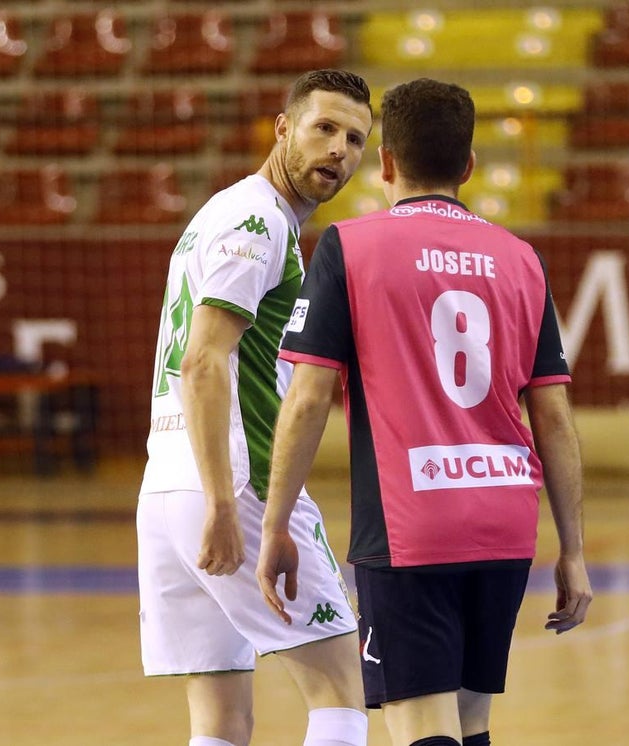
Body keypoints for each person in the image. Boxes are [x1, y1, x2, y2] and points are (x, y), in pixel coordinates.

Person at [257, 78, 593, 746]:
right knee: (470, 724)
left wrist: (274, 526)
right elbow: (553, 418)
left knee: (420, 728)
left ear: (384, 162)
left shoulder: (350, 248)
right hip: (503, 524)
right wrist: (574, 550)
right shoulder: (522, 260)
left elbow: (307, 400)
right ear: (468, 167)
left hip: (412, 528)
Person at [136, 69, 374, 746]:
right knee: (339, 692)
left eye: (354, 139)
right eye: (323, 128)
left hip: (165, 489)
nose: (338, 150)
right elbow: (204, 360)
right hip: (233, 483)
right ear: (282, 128)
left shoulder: (223, 210)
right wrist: (221, 502)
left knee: (221, 722)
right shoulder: (257, 220)